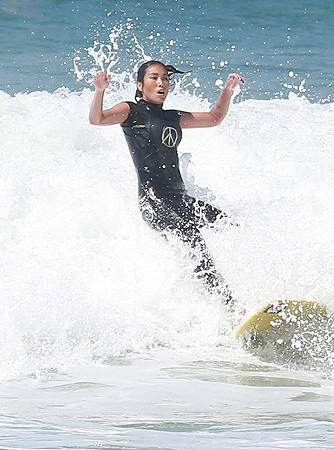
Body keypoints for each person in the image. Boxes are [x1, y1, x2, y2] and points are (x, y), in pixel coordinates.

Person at [89, 60, 245, 305]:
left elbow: (214, 118)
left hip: (180, 200)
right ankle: (230, 306)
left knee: (231, 226)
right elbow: (97, 119)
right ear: (140, 85)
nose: (161, 83)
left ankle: (252, 284)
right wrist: (100, 91)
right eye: (154, 78)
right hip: (153, 202)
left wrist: (228, 89)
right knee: (193, 239)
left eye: (165, 78)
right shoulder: (130, 111)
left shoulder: (173, 117)